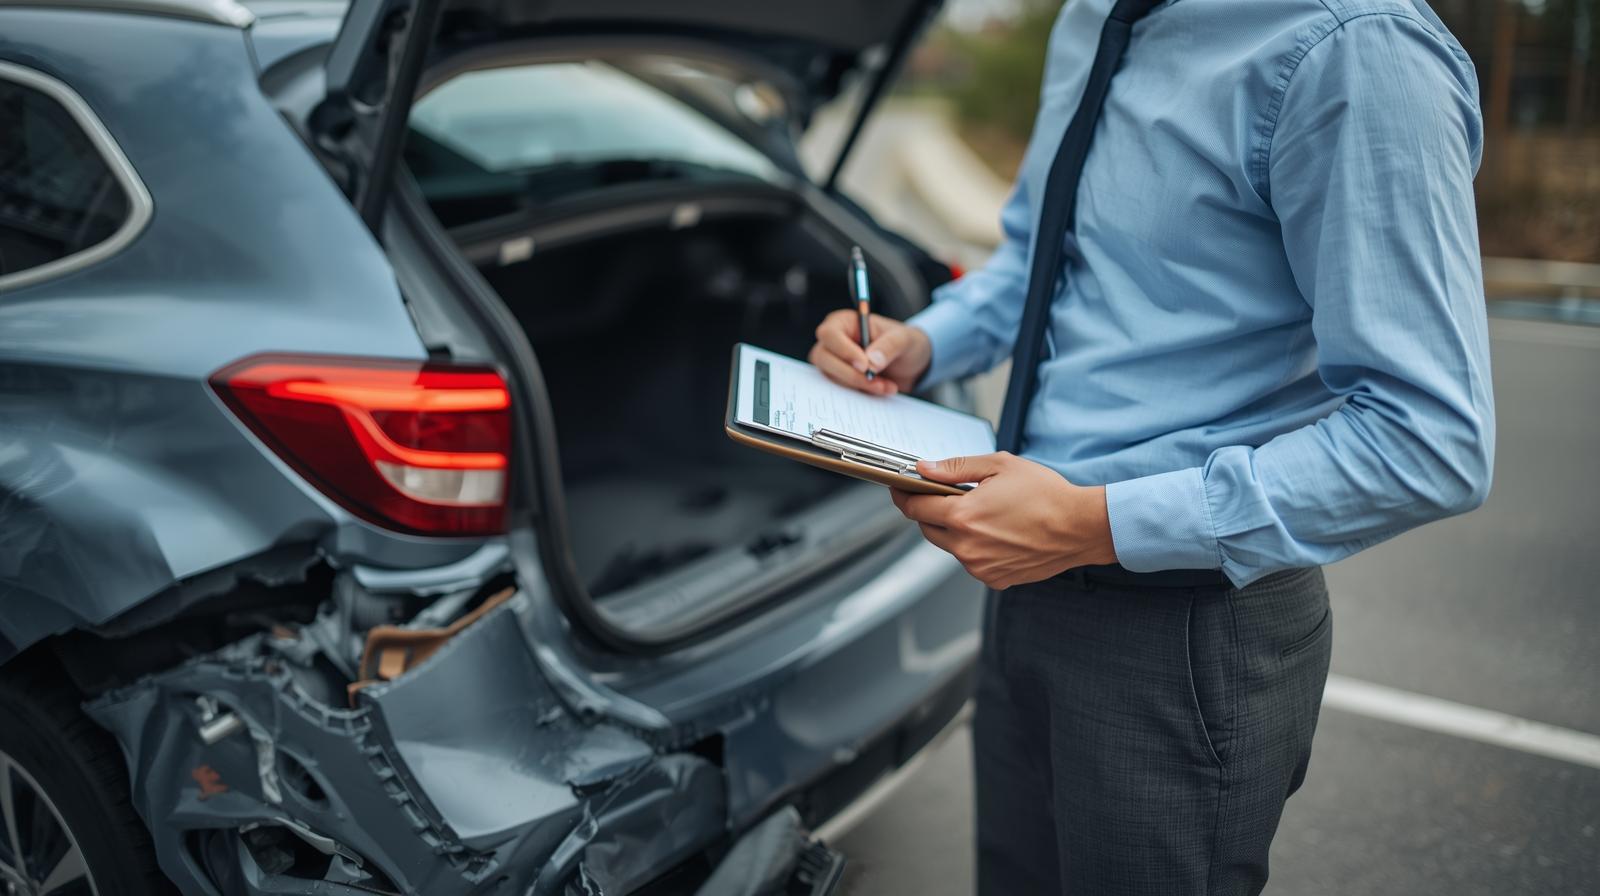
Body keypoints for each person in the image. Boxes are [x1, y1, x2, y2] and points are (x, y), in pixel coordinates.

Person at [808, 0, 1494, 893]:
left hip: (1181, 642)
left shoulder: (1357, 52)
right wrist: (925, 341)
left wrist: (1097, 523)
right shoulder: (1094, 15)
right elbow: (1039, 260)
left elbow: (1429, 439)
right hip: (1022, 595)